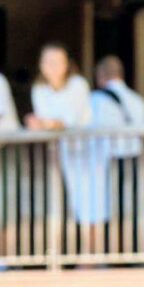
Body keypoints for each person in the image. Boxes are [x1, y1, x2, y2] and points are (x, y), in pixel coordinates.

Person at [26, 43, 110, 239]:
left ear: (66, 64)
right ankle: (86, 253)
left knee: (93, 200)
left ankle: (93, 255)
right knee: (76, 201)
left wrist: (45, 123)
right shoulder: (39, 89)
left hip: (90, 149)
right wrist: (43, 123)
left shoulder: (78, 84)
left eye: (57, 61)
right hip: (65, 151)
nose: (52, 66)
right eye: (47, 61)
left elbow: (66, 121)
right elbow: (45, 122)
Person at [90, 55, 144, 158]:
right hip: (135, 157)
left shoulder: (95, 100)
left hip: (109, 159)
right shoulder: (138, 100)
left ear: (100, 75)